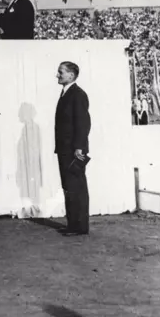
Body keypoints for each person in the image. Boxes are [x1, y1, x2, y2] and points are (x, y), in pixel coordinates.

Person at [54, 61, 91, 236]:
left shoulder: (78, 95)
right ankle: (73, 225)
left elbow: (83, 124)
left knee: (76, 187)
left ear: (71, 75)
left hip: (74, 150)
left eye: (61, 72)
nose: (57, 75)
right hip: (64, 149)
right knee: (69, 187)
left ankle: (80, 227)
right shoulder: (65, 94)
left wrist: (79, 148)